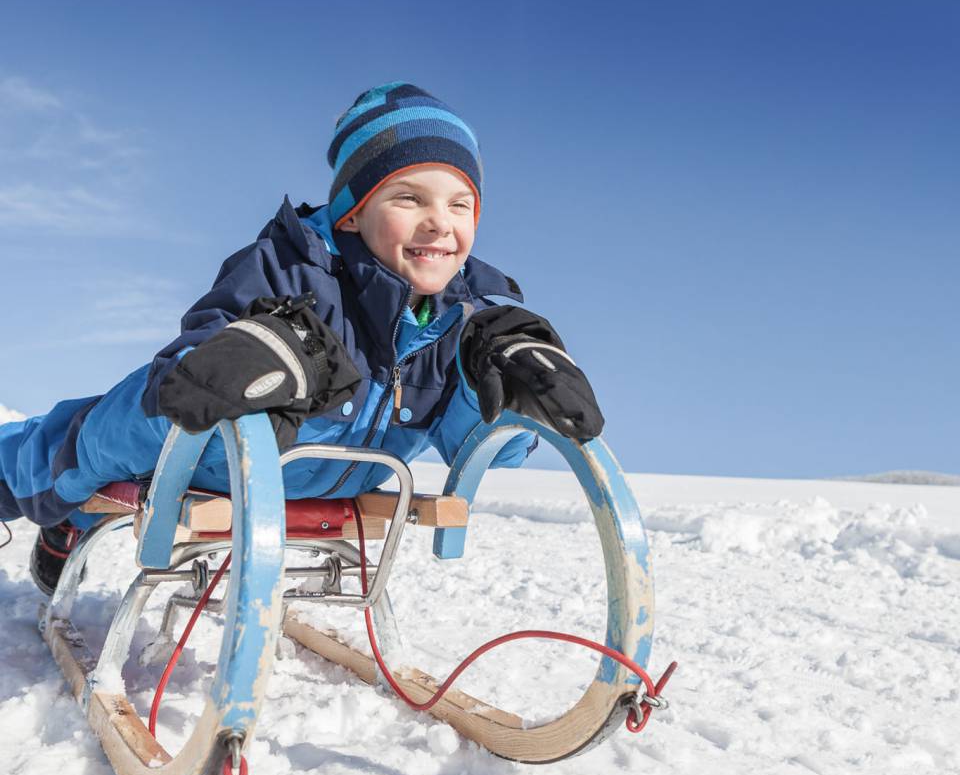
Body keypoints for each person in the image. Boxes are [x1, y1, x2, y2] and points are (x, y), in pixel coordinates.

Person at [0, 83, 603, 594]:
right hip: (202, 455)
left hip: (326, 476)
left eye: (461, 204)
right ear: (350, 214)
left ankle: (67, 508)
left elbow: (470, 449)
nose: (441, 222)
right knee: (76, 450)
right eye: (408, 198)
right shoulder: (288, 268)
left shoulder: (463, 321)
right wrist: (265, 345)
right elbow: (188, 377)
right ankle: (58, 513)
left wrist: (505, 395)